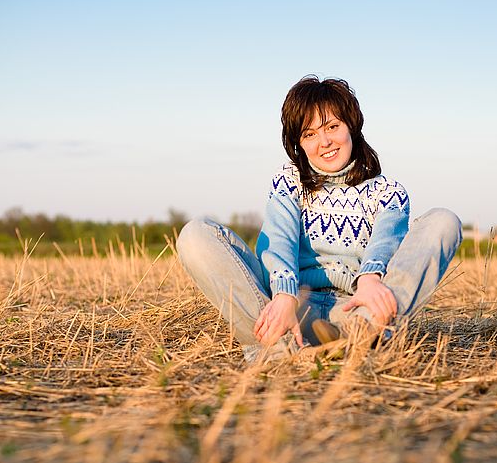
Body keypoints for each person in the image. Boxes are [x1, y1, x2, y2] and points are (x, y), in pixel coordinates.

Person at [176, 76, 462, 363]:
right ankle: (277, 349)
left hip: (356, 308)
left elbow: (386, 241)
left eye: (332, 127)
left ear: (351, 126)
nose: (324, 142)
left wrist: (371, 278)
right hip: (289, 310)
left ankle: (365, 335)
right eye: (309, 134)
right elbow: (280, 239)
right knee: (195, 234)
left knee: (443, 221)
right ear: (299, 143)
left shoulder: (388, 192)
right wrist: (285, 296)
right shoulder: (290, 181)